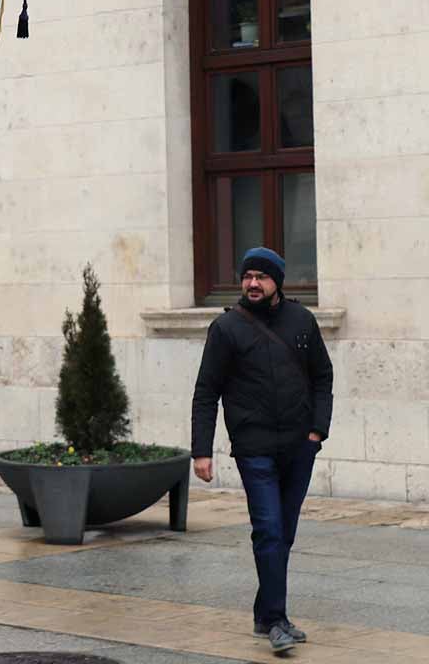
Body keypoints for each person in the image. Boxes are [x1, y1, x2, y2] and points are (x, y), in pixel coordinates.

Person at [191, 247, 333, 655]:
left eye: (262, 277)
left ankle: (263, 612)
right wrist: (202, 450)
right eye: (247, 276)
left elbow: (322, 377)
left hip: (298, 446)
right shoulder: (227, 329)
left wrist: (316, 432)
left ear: (277, 282)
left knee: (283, 533)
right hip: (254, 448)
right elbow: (206, 392)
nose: (253, 283)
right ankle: (276, 621)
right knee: (268, 529)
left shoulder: (302, 321)